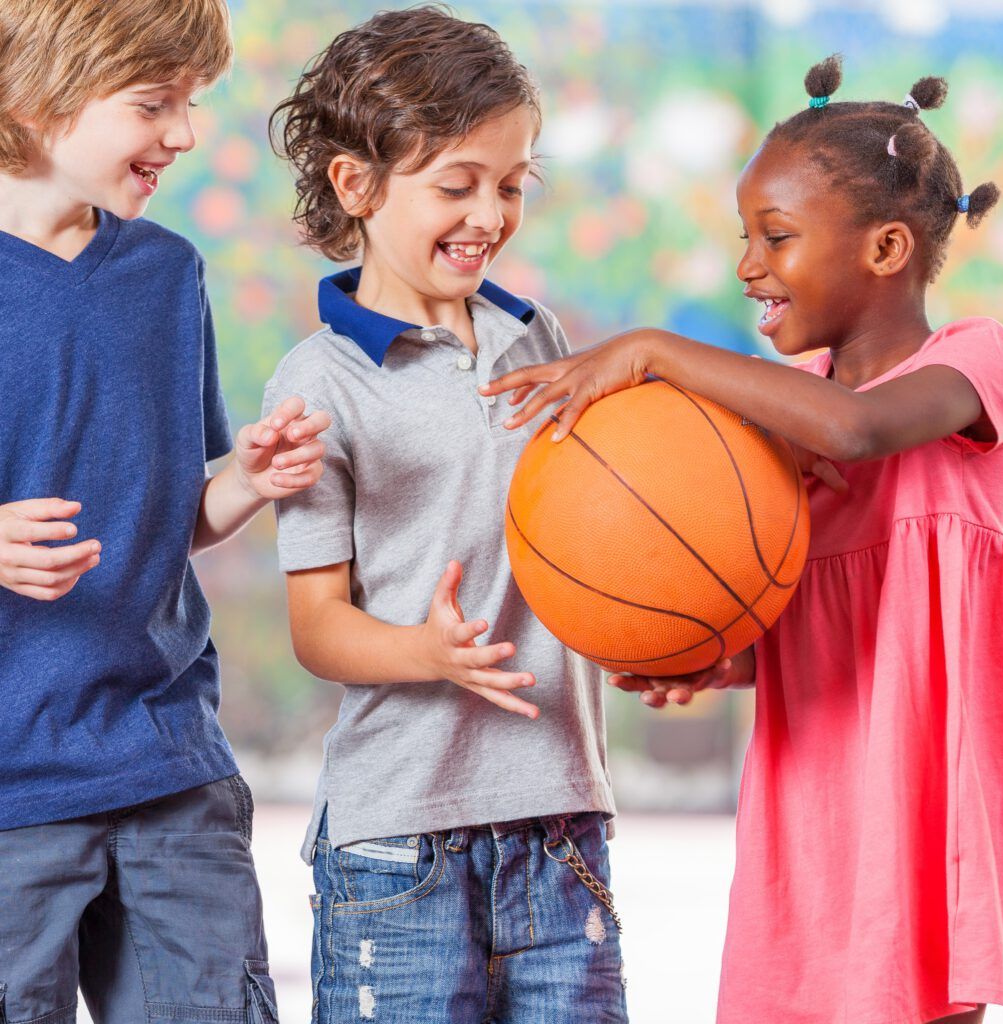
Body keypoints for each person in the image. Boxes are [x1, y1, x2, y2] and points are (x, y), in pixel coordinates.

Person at [483, 54, 1003, 1024]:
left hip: (925, 784)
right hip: (812, 788)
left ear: (887, 247)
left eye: (775, 237)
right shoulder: (777, 430)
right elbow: (797, 604)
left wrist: (654, 349)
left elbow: (854, 430)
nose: (746, 266)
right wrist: (712, 651)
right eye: (745, 238)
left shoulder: (970, 362)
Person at [265, 8, 625, 1022]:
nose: (489, 213)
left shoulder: (535, 336)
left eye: (511, 185)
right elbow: (316, 627)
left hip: (561, 826)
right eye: (456, 184)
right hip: (398, 842)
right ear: (356, 185)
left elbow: (600, 531)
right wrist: (428, 652)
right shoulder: (316, 382)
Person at [0, 2, 329, 1021]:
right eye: (155, 103)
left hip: (166, 766)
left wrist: (245, 483)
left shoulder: (165, 272)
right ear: (33, 91)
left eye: (190, 104)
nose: (184, 133)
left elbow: (166, 512)